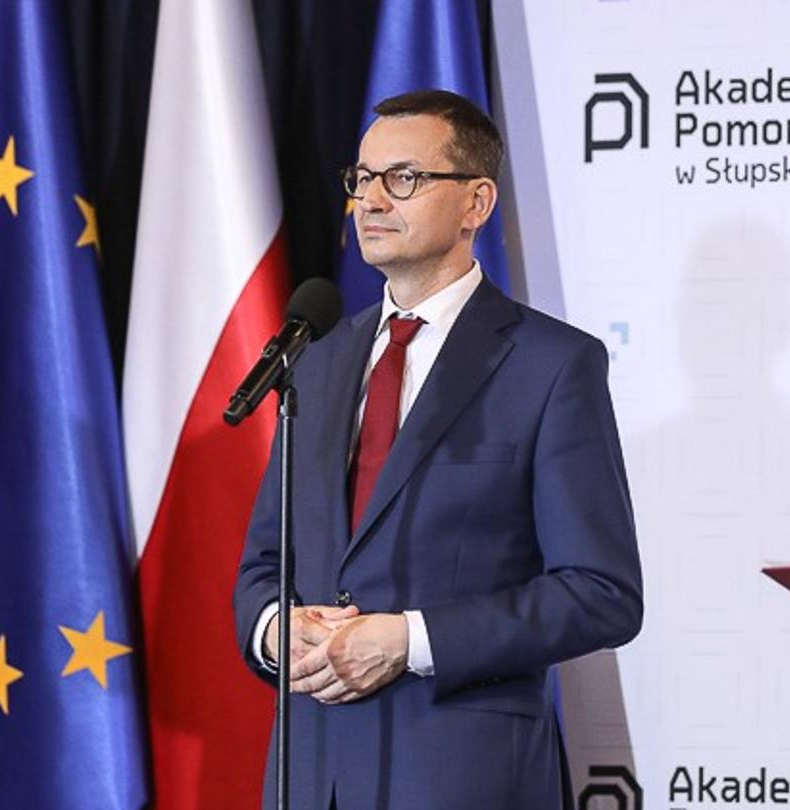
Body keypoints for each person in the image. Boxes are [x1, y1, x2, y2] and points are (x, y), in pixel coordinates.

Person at [232, 89, 644, 810]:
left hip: (462, 776)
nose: (370, 200)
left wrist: (412, 639)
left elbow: (601, 595)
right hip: (312, 774)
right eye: (360, 179)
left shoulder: (551, 365)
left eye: (404, 178)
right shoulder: (318, 360)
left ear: (476, 203)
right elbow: (266, 563)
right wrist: (277, 630)